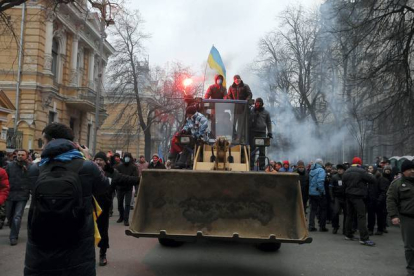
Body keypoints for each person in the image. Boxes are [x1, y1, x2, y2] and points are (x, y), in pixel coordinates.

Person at [24, 122, 110, 276]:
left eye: (43, 142)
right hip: (77, 248)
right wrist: (87, 158)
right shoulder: (87, 167)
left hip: (40, 250)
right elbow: (103, 188)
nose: (42, 147)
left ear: (52, 141)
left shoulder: (35, 169)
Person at [94, 152, 138, 266]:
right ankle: (87, 255)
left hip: (104, 208)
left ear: (105, 162)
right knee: (87, 232)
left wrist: (140, 180)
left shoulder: (111, 173)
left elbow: (125, 178)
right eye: (96, 159)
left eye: (100, 160)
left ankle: (102, 254)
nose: (98, 162)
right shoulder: (90, 172)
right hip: (90, 208)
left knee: (103, 232)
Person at [387, 159, 414, 275]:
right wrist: (393, 215)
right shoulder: (397, 183)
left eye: (413, 169)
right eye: (409, 170)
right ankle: (411, 269)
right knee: (410, 246)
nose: (412, 171)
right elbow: (391, 200)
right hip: (407, 218)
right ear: (403, 171)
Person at [342, 157, 376, 246]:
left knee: (349, 215)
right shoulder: (361, 171)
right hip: (358, 196)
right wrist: (370, 174)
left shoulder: (347, 171)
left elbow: (344, 183)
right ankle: (364, 238)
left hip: (348, 195)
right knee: (361, 216)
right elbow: (372, 180)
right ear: (359, 163)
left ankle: (348, 234)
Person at [6, 149, 32, 246]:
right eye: (19, 154)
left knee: (17, 216)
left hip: (22, 194)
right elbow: (5, 179)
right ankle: (13, 228)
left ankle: (13, 236)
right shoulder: (9, 165)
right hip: (10, 194)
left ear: (26, 156)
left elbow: (32, 180)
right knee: (9, 216)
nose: (20, 156)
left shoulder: (30, 166)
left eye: (22, 155)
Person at [115, 152, 138, 226]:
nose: (126, 158)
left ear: (130, 158)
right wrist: (127, 179)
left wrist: (125, 179)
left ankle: (126, 219)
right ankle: (121, 217)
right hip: (120, 188)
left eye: (128, 157)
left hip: (128, 188)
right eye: (125, 157)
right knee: (120, 204)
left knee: (127, 204)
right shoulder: (119, 166)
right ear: (123, 157)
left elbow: (135, 178)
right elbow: (117, 177)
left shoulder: (133, 167)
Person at [249, 98, 272, 170]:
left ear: (262, 104)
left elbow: (269, 123)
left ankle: (262, 166)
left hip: (262, 133)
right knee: (252, 149)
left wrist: (270, 132)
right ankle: (251, 165)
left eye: (259, 103)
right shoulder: (251, 111)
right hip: (253, 132)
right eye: (256, 103)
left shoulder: (266, 113)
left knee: (262, 149)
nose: (257, 104)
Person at [308, 158, 327, 232]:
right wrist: (322, 191)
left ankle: (311, 226)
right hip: (318, 193)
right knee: (323, 209)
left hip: (311, 193)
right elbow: (320, 181)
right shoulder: (321, 170)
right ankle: (322, 226)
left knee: (313, 210)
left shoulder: (312, 170)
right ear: (321, 163)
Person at [330, 164, 346, 234]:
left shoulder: (347, 177)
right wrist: (332, 197)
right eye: (338, 169)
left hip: (345, 198)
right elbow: (330, 188)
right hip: (337, 197)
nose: (339, 170)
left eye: (341, 169)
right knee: (335, 212)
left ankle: (345, 228)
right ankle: (335, 227)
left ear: (344, 170)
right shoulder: (334, 177)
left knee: (347, 213)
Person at [379, 164, 393, 233]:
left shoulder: (391, 178)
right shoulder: (382, 178)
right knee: (383, 212)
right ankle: (383, 226)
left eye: (389, 170)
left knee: (385, 212)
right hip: (384, 196)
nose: (387, 171)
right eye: (386, 170)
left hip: (388, 196)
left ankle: (384, 225)